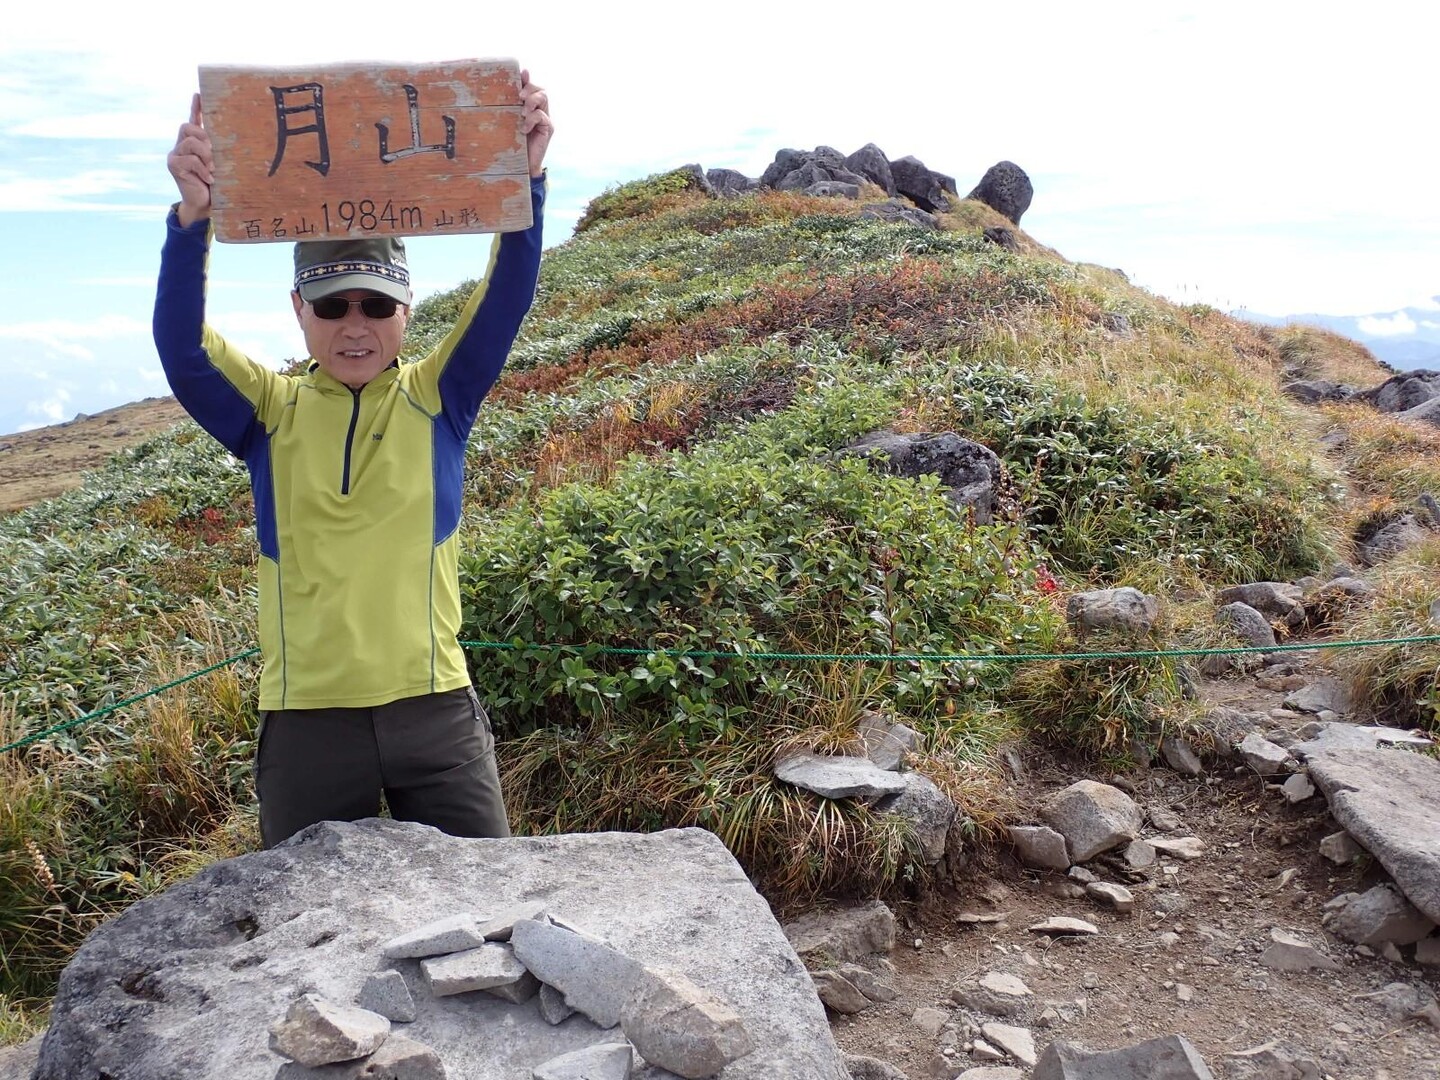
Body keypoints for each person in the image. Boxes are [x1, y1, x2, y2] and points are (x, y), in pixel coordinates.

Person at [156, 69, 553, 849]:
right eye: (332, 304)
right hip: (307, 722)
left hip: (435, 712)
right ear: (299, 309)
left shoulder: (440, 395)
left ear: (407, 309)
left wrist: (527, 182)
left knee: (488, 917)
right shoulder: (268, 412)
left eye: (376, 303)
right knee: (306, 944)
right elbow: (183, 347)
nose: (355, 324)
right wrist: (191, 221)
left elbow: (505, 298)